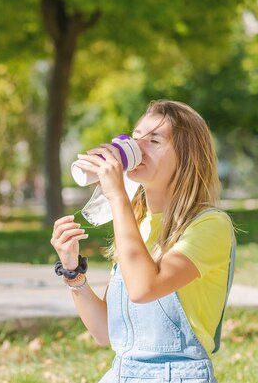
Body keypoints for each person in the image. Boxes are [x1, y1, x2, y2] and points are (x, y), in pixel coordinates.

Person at [50, 99, 235, 383]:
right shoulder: (137, 224)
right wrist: (73, 273)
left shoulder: (210, 225)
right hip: (121, 372)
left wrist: (117, 196)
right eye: (135, 138)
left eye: (154, 140)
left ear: (188, 157)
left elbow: (144, 288)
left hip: (177, 375)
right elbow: (104, 331)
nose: (138, 146)